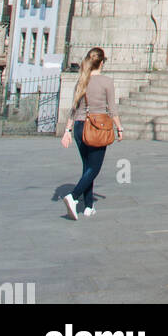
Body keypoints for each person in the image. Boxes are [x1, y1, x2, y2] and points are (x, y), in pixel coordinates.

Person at [59, 47, 123, 218]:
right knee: (94, 168)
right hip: (97, 127)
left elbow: (73, 108)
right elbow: (112, 108)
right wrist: (119, 128)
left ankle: (88, 206)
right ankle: (73, 196)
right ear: (102, 62)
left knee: (87, 167)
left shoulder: (82, 80)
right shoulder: (106, 81)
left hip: (80, 128)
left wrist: (67, 130)